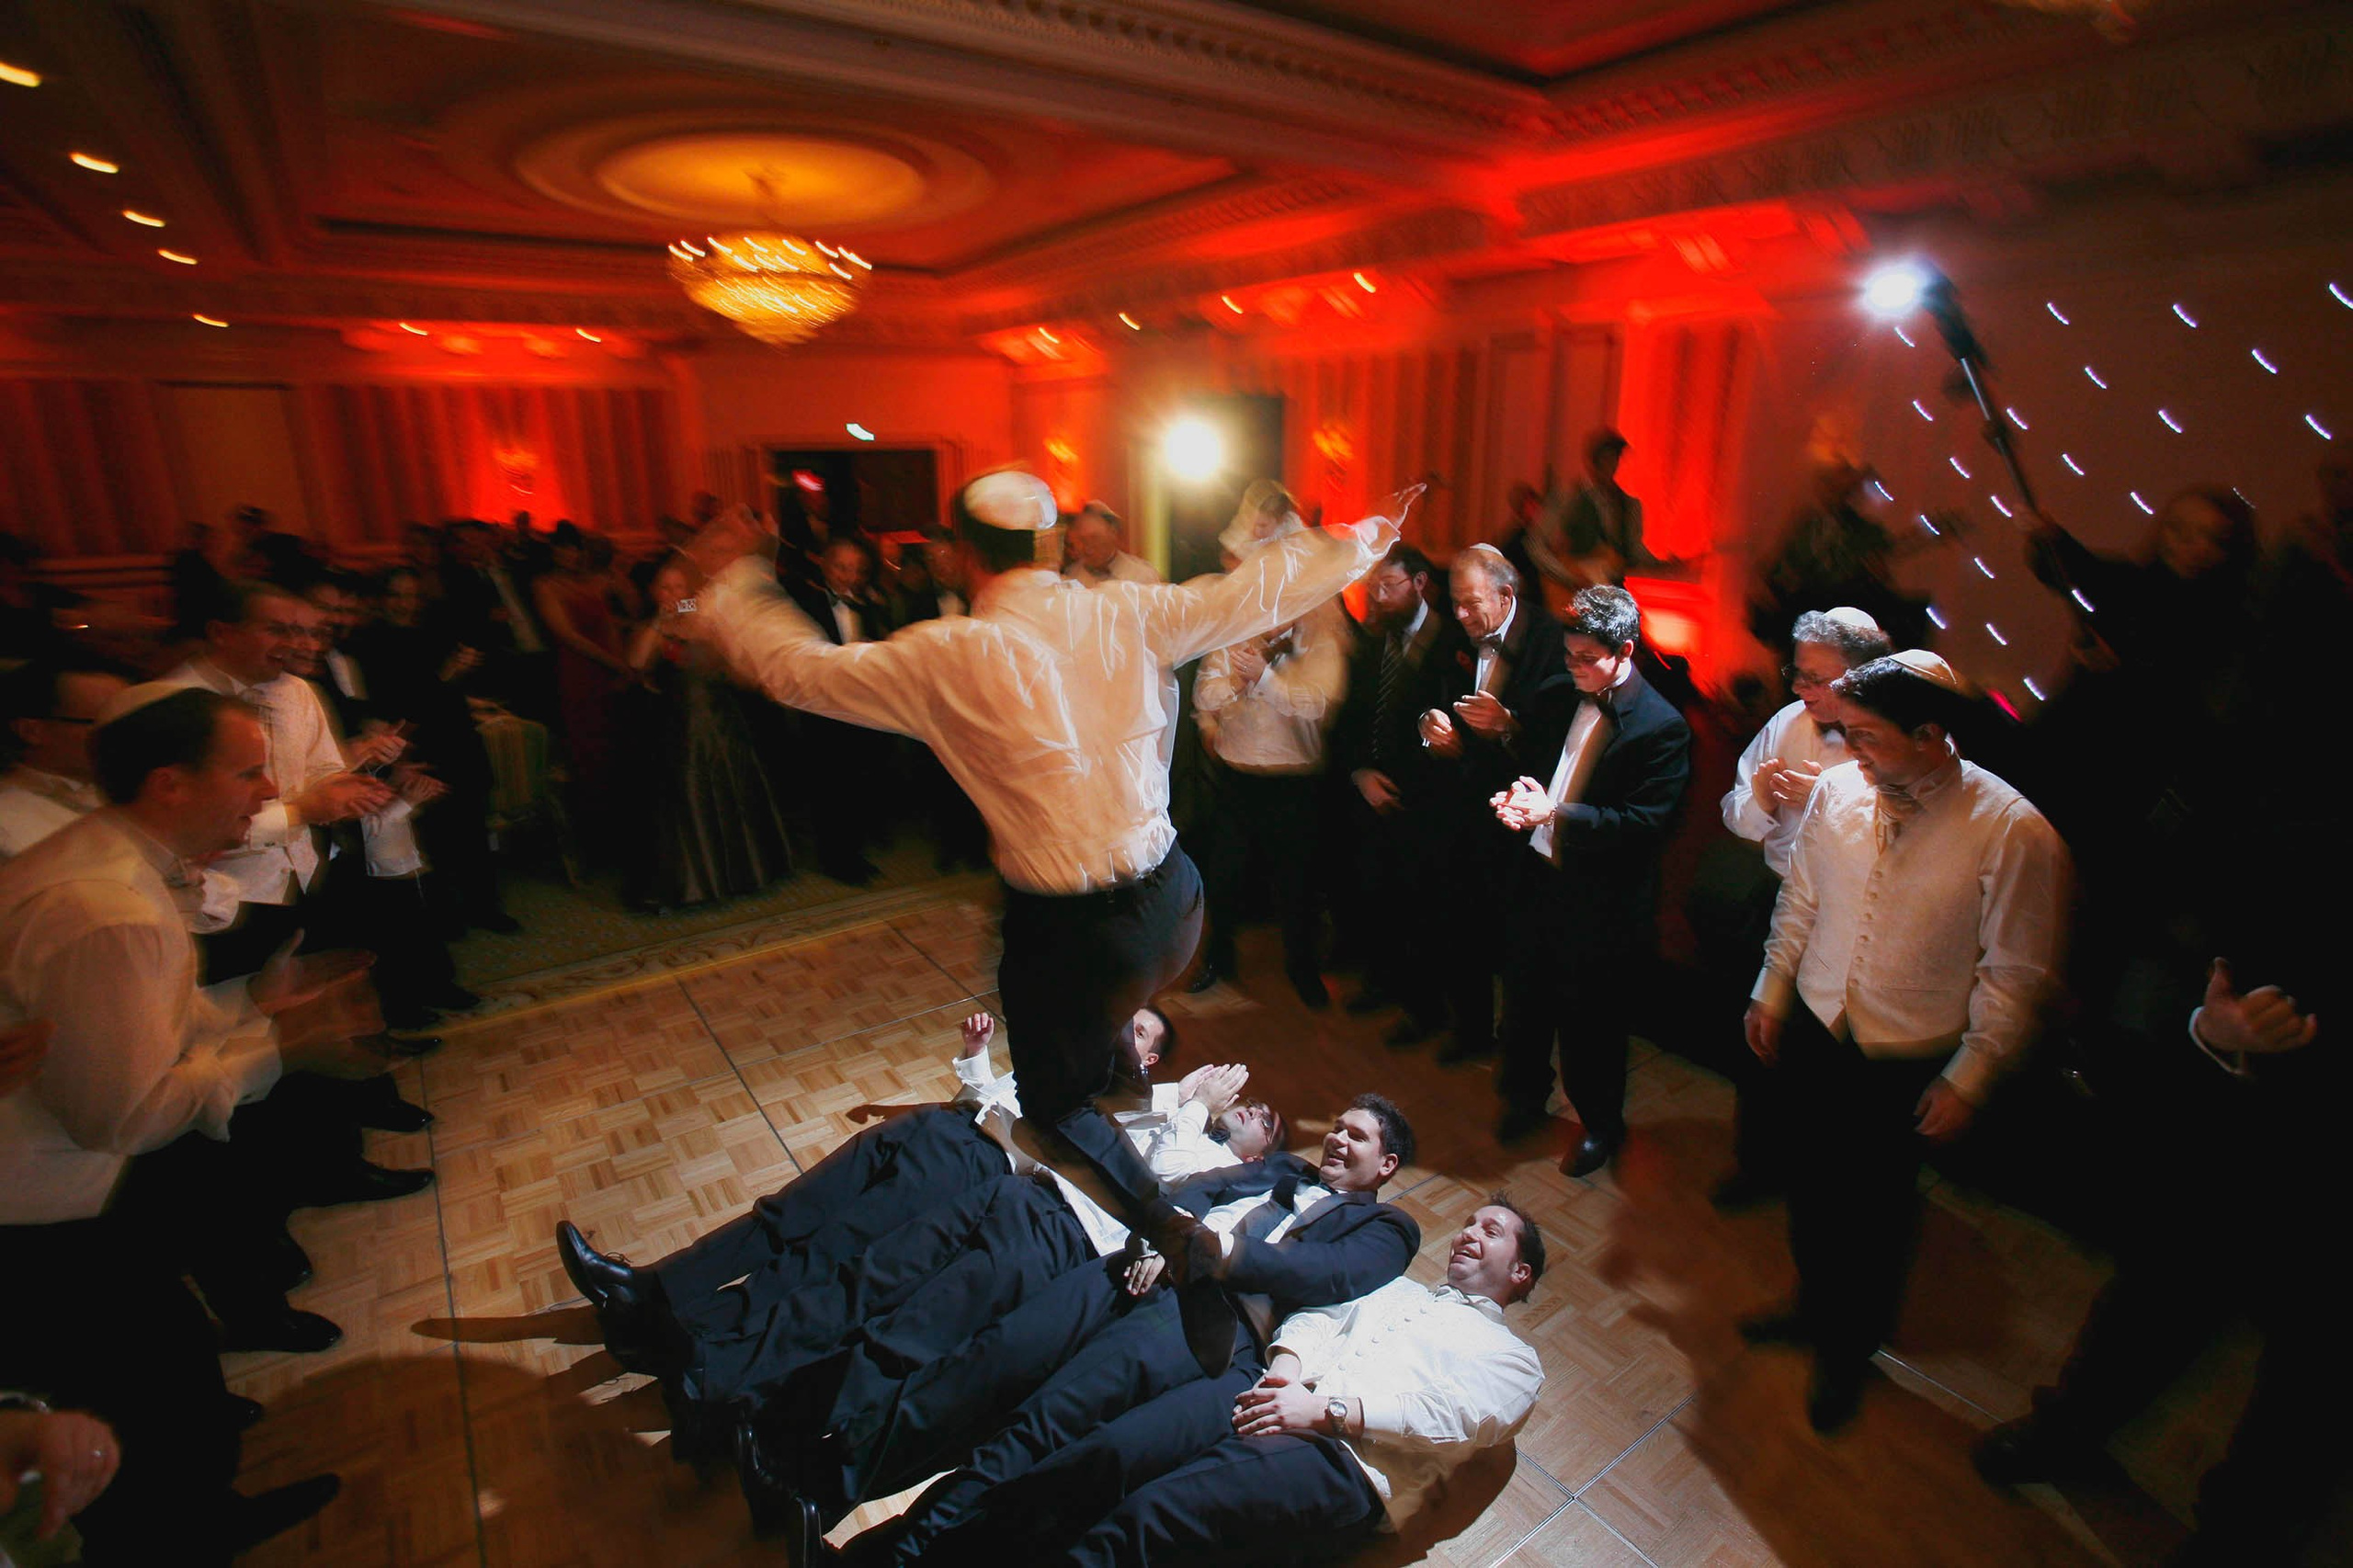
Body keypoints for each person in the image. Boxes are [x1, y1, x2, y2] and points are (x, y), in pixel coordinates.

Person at [684, 470, 1400, 1276]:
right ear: (1053, 545)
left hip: (1073, 931)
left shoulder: (947, 652)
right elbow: (1255, 591)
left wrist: (733, 578)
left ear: (962, 555)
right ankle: (1123, 1082)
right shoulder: (1128, 610)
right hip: (1176, 907)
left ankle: (1175, 1236)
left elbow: (796, 671)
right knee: (1101, 1012)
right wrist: (1368, 535)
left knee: (1052, 1107)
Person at [0, 687, 369, 1563]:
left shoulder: (107, 857)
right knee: (149, 1404)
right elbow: (122, 1116)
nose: (270, 789)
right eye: (247, 772)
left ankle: (199, 1515)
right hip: (47, 1215)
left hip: (61, 1197)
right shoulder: (109, 909)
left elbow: (136, 1026)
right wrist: (279, 1048)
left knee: (168, 1384)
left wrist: (251, 1004)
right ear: (170, 782)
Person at [746, 1094, 1424, 1555]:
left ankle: (893, 1554)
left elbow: (1325, 1273)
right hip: (1129, 1273)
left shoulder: (1390, 1229)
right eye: (1338, 1127)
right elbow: (1198, 1190)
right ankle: (813, 1486)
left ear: (1386, 1165)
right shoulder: (1284, 1167)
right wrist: (1165, 1235)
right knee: (980, 1367)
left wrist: (1209, 1252)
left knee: (1033, 1434)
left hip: (1199, 1322)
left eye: (1356, 1135)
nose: (1337, 1138)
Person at [1739, 651, 2068, 1432]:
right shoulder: (1838, 791)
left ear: (1929, 735)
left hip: (1906, 1054)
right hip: (1820, 1026)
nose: (1847, 749)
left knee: (1876, 1213)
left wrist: (1971, 1075)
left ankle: (1848, 1349)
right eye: (1846, 733)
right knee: (1810, 1186)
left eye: (1866, 737)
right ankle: (1812, 1307)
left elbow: (2015, 973)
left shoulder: (2012, 831)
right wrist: (1772, 988)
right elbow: (1802, 898)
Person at [1489, 585, 1691, 1168]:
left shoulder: (1662, 727)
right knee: (1524, 1006)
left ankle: (1601, 1125)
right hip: (1537, 877)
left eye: (1586, 658)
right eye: (1568, 654)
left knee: (1591, 1024)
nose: (1573, 667)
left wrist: (1553, 814)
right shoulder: (1557, 694)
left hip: (1602, 901)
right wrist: (1519, 798)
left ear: (1625, 650)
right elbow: (1535, 769)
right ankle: (1525, 1100)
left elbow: (1643, 825)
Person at [1711, 607, 1892, 1207]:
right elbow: (1736, 812)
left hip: (1851, 921)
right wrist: (1763, 799)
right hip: (1777, 899)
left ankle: (1822, 1182)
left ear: (1859, 676)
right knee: (1758, 1042)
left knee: (1825, 1063)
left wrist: (1831, 800)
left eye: (1818, 679)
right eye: (1798, 674)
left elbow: (1907, 845)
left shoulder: (1900, 740)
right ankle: (1756, 1165)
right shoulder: (1787, 722)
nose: (1801, 690)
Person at [160, 582, 397, 980]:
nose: (294, 644)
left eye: (298, 631)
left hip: (301, 874)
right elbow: (184, 829)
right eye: (276, 630)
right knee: (240, 1002)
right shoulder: (175, 705)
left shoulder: (297, 692)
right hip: (222, 898)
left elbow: (322, 767)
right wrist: (299, 811)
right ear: (222, 632)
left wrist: (345, 791)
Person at [1417, 544, 1568, 1065]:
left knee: (1520, 942)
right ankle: (1472, 1029)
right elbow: (1429, 695)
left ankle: (1521, 1053)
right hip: (1460, 806)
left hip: (1520, 815)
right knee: (1462, 924)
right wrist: (1429, 726)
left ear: (1506, 595)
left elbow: (1560, 741)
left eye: (1471, 603)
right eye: (1455, 602)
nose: (1460, 615)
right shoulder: (1456, 632)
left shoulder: (1550, 641)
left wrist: (1507, 726)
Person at [1188, 523, 1350, 1008]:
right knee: (1223, 875)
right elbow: (1204, 694)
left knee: (1295, 883)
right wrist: (1236, 686)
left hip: (1293, 780)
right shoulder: (1234, 629)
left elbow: (1319, 704)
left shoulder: (1322, 635)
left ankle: (1302, 968)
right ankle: (1219, 959)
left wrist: (1265, 679)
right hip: (1237, 775)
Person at [1327, 544, 1472, 1044]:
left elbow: (1458, 733)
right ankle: (1383, 983)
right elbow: (1353, 719)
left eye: (1388, 587)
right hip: (1374, 795)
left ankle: (1425, 1008)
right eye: (1374, 588)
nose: (1379, 597)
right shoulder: (1376, 642)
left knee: (1424, 908)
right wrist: (1360, 772)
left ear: (1419, 584)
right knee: (1378, 895)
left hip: (1428, 803)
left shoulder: (1452, 645)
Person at [622, 557, 794, 910]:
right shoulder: (650, 628)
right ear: (654, 592)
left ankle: (740, 875)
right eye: (665, 588)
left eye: (679, 587)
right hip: (678, 727)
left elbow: (736, 670)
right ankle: (693, 883)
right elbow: (636, 662)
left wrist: (763, 680)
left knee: (732, 794)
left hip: (722, 722)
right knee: (686, 797)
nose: (673, 594)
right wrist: (661, 622)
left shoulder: (709, 623)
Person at [787, 536, 894, 884]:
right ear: (824, 565)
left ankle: (854, 852)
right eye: (842, 568)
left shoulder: (872, 606)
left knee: (859, 783)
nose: (850, 577)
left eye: (858, 570)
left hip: (864, 711)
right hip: (823, 711)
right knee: (829, 787)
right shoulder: (805, 606)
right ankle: (835, 859)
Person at [1528, 428, 1652, 598]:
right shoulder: (1570, 498)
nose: (1613, 468)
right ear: (1595, 464)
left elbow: (1635, 554)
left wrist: (1665, 563)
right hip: (1574, 596)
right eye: (1607, 461)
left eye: (1617, 460)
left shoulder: (1629, 505)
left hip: (1610, 594)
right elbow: (1535, 545)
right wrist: (1567, 578)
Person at [1063, 503, 1160, 587]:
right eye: (1082, 540)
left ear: (1113, 533)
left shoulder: (1142, 576)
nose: (1088, 549)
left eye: (1095, 538)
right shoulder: (1072, 577)